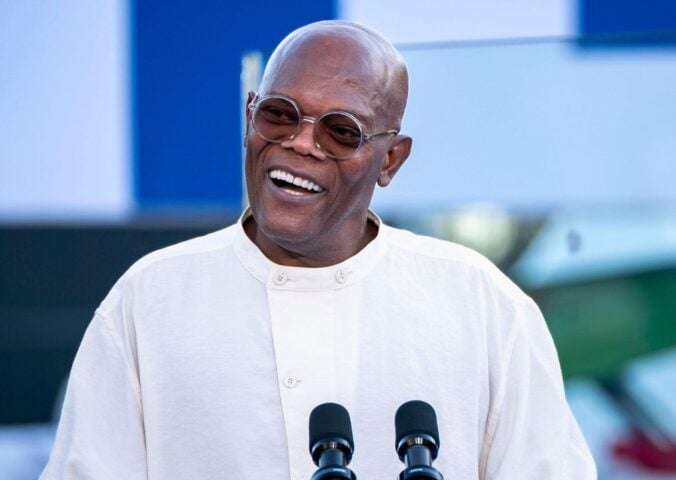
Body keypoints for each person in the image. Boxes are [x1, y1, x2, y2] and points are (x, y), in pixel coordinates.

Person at [41, 20, 596, 479]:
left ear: (390, 160)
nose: (301, 143)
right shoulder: (151, 299)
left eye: (341, 131)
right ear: (249, 117)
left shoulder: (480, 303)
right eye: (280, 115)